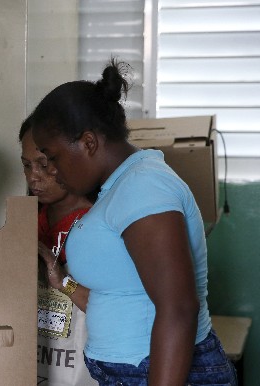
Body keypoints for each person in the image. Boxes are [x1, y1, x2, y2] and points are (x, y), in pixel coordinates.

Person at [30, 59, 237, 385]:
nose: (52, 171)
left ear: (88, 142)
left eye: (52, 157)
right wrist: (61, 281)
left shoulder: (143, 186)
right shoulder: (119, 188)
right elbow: (120, 295)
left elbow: (179, 308)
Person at [19, 117, 96, 386]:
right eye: (26, 165)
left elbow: (116, 311)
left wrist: (64, 281)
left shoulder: (98, 224)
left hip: (81, 363)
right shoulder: (29, 219)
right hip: (35, 357)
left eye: (43, 164)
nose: (33, 177)